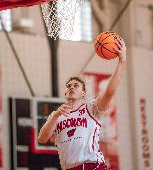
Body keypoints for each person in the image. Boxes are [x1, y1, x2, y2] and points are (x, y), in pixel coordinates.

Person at [38, 37, 126, 170]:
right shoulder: (57, 115)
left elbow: (109, 92)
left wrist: (122, 61)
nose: (71, 87)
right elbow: (42, 139)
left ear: (83, 93)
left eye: (76, 85)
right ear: (66, 93)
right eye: (68, 86)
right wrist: (55, 116)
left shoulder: (91, 107)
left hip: (92, 165)